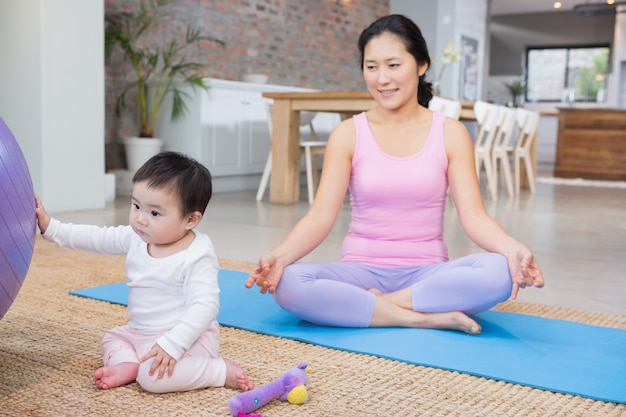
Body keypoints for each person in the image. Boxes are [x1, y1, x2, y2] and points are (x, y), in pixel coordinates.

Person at [246, 14, 544, 335]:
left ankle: (379, 305)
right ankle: (423, 317)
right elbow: (320, 216)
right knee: (288, 283)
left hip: (426, 274)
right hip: (359, 271)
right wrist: (278, 256)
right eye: (371, 67)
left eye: (393, 65)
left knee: (498, 271)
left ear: (421, 65)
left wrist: (513, 249)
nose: (382, 79)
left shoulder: (450, 133)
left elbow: (474, 217)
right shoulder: (348, 133)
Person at [36, 151, 253, 394]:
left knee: (153, 378)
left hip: (189, 337)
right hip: (140, 332)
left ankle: (218, 370)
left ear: (191, 219)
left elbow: (205, 307)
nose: (140, 219)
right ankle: (127, 364)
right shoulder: (136, 238)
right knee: (112, 338)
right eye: (136, 206)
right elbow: (97, 237)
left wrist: (174, 344)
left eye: (155, 213)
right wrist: (51, 227)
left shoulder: (197, 254)